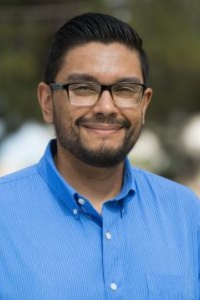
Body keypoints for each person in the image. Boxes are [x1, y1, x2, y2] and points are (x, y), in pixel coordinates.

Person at [0, 12, 199, 300]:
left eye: (125, 89)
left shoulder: (186, 214)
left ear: (144, 104)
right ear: (47, 102)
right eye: (83, 88)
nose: (106, 107)